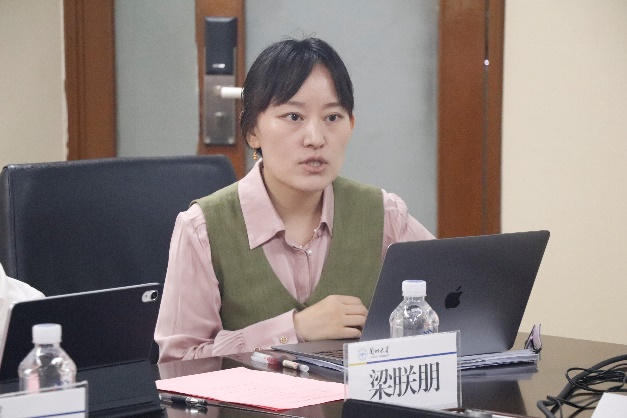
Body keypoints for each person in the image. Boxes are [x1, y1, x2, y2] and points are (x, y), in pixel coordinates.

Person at [155, 37, 434, 362]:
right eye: (293, 117)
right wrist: (294, 329)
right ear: (252, 131)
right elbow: (179, 361)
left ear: (351, 125)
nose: (315, 139)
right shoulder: (201, 229)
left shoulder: (384, 214)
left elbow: (455, 305)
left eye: (332, 117)